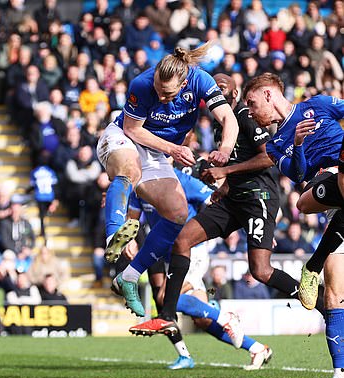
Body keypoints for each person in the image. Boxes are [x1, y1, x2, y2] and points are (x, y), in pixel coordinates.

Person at [131, 73, 321, 338]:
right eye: (214, 88)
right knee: (182, 240)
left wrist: (226, 172)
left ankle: (322, 304)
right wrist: (225, 186)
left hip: (258, 198)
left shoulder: (243, 115)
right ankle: (167, 315)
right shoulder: (222, 125)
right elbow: (238, 163)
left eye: (223, 88)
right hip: (234, 199)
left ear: (234, 94)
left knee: (261, 270)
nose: (216, 92)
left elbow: (269, 157)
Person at [97, 43, 238, 317]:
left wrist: (224, 151)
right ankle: (114, 234)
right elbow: (132, 128)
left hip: (156, 150)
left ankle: (128, 277)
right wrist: (173, 149)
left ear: (185, 82)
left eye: (168, 93)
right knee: (129, 169)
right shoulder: (142, 84)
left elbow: (227, 118)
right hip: (126, 137)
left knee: (177, 213)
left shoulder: (200, 81)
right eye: (159, 90)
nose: (161, 97)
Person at [243, 72, 344, 378]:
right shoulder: (276, 144)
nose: (251, 111)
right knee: (333, 296)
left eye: (252, 103)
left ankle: (312, 265)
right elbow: (299, 174)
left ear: (269, 94)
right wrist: (298, 144)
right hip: (332, 199)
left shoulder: (318, 105)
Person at [124, 167, 272, 370]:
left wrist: (253, 229)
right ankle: (256, 348)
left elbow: (218, 202)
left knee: (164, 298)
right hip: (164, 254)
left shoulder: (181, 182)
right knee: (201, 319)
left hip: (191, 252)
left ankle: (224, 317)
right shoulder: (139, 186)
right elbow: (132, 217)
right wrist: (129, 239)